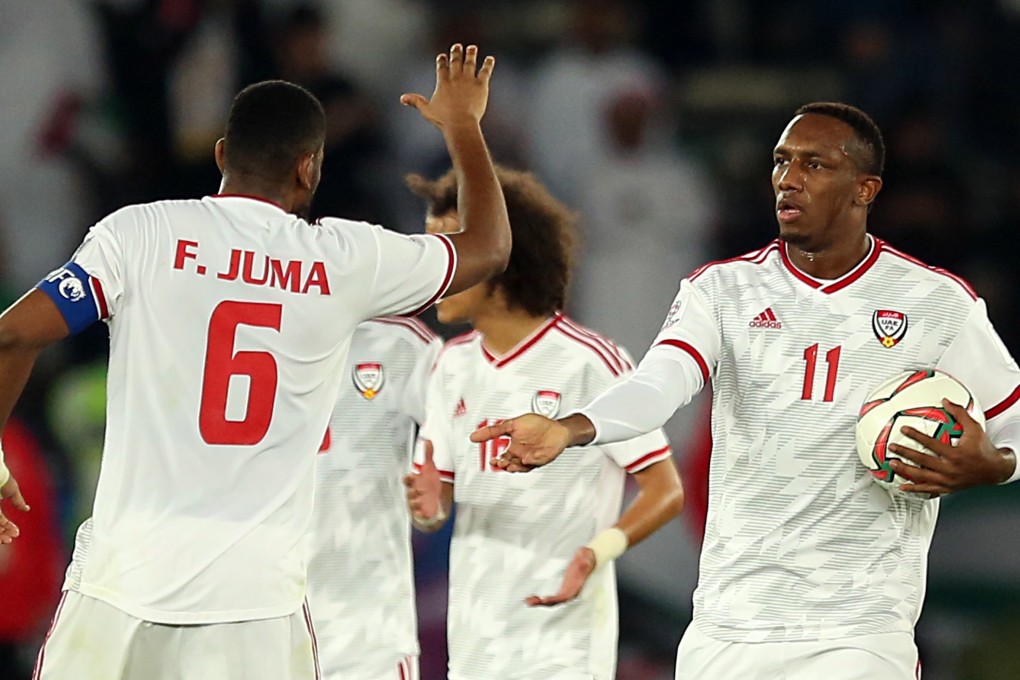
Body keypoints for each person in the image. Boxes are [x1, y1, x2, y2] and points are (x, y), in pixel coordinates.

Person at [0, 43, 512, 679]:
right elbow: (489, 247)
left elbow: (12, 335)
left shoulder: (139, 233)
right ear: (309, 169)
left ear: (221, 155)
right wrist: (462, 126)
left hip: (121, 582)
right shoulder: (345, 260)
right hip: (255, 604)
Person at [472, 102, 1020, 679]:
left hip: (860, 629)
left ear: (865, 189)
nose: (789, 179)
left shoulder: (936, 302)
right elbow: (658, 384)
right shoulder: (722, 290)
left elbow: (1014, 422)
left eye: (814, 165)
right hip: (729, 625)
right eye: (782, 162)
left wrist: (994, 464)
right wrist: (571, 429)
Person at [403, 166, 685, 680]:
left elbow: (665, 490)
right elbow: (436, 500)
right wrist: (425, 508)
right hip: (475, 643)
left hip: (562, 644)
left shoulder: (591, 362)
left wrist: (596, 552)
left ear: (498, 254)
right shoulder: (450, 364)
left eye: (450, 249)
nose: (436, 269)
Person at [306, 315, 440, 680]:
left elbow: (477, 430)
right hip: (252, 618)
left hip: (362, 631)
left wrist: (441, 489)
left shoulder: (400, 343)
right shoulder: (240, 325)